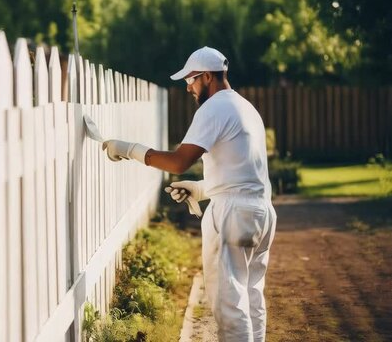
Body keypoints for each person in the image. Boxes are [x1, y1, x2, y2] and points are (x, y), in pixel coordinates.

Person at [102, 46, 277, 342]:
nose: (188, 88)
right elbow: (244, 173)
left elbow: (179, 162)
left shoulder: (214, 107)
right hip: (261, 212)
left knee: (229, 305)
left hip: (233, 215)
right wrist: (200, 189)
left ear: (207, 76)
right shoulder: (246, 108)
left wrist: (130, 150)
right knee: (251, 295)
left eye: (191, 80)